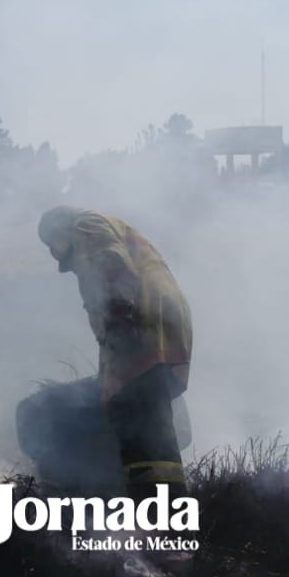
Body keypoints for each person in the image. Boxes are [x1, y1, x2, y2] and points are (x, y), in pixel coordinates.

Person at [36, 205, 192, 502]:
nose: (54, 255)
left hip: (140, 325)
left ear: (59, 230)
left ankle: (157, 514)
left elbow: (112, 266)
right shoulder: (101, 227)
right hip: (155, 324)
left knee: (140, 416)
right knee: (145, 414)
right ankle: (161, 510)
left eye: (50, 245)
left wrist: (119, 320)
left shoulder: (85, 226)